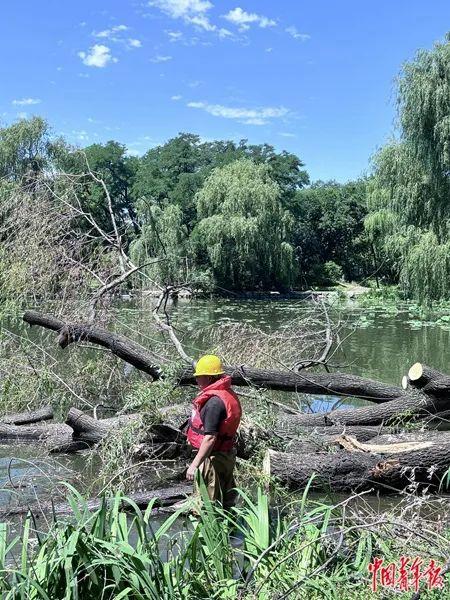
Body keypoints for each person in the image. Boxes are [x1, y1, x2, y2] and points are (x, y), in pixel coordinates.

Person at [185, 354, 242, 509]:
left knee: (209, 506)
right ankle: (229, 531)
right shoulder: (227, 393)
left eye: (199, 376)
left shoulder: (213, 403)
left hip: (213, 459)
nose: (196, 380)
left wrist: (194, 465)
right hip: (226, 455)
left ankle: (211, 532)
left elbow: (210, 438)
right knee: (226, 502)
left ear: (209, 378)